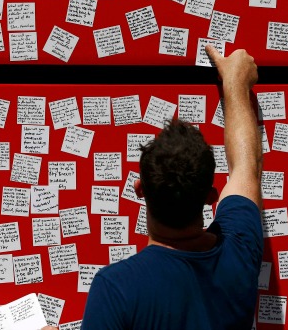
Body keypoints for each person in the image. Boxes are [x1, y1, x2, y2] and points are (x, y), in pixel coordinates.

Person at [80, 46, 263, 330]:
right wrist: (236, 83)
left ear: (140, 189)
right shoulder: (240, 249)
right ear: (210, 197)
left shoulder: (116, 288)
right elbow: (245, 165)